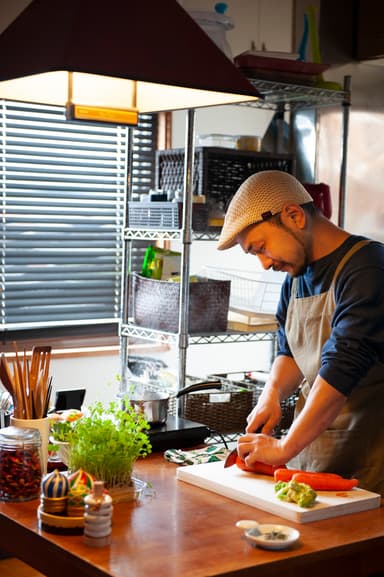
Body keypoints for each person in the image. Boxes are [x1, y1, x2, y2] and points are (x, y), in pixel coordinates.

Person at [217, 170, 384, 495]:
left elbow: (341, 369)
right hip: (312, 458)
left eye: (261, 247)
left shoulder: (368, 269)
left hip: (370, 465)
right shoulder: (295, 277)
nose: (264, 264)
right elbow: (289, 351)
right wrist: (272, 395)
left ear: (293, 215)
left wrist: (282, 449)